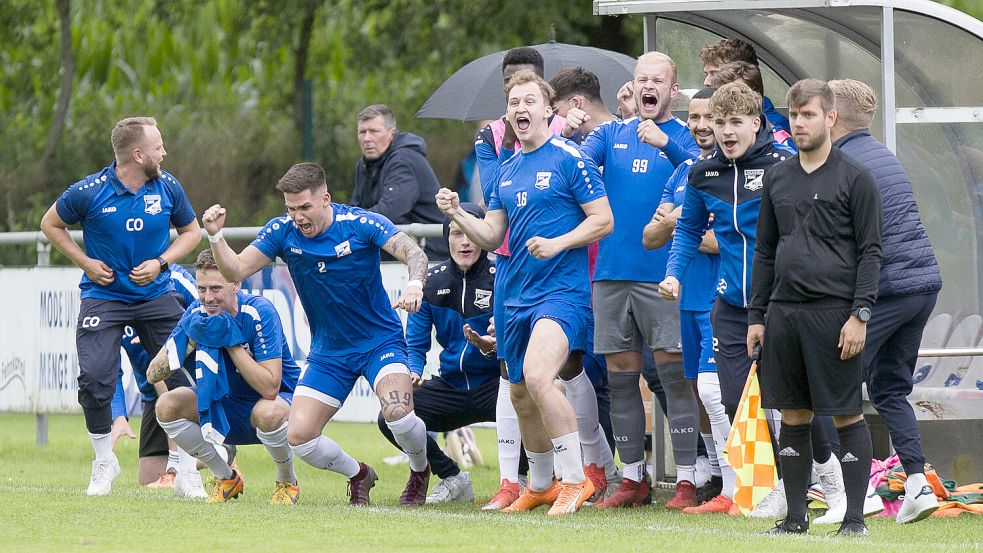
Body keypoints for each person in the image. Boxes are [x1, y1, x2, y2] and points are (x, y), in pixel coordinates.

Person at [201, 162, 432, 506]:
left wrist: (414, 284)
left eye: (305, 207)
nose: (298, 217)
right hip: (329, 353)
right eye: (291, 209)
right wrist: (215, 236)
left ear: (325, 199)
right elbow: (235, 269)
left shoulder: (361, 223)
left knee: (397, 414)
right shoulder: (282, 231)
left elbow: (414, 252)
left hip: (379, 343)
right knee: (300, 437)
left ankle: (419, 471)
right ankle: (359, 473)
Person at [437, 69, 614, 516]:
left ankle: (575, 479)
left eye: (529, 101)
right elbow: (493, 235)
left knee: (539, 376)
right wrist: (458, 214)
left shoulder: (570, 158)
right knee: (519, 392)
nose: (520, 108)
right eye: (513, 103)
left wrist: (558, 243)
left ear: (548, 110)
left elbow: (603, 220)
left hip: (561, 292)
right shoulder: (505, 171)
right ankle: (538, 484)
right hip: (513, 294)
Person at [747, 78, 883, 537]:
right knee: (792, 414)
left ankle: (855, 520)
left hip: (835, 314)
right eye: (794, 114)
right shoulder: (777, 177)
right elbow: (765, 250)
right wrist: (757, 316)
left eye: (808, 114)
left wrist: (860, 314)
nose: (799, 123)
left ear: (831, 117)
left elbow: (871, 252)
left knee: (846, 413)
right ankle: (794, 519)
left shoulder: (855, 177)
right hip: (783, 314)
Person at [39, 116, 202, 496]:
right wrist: (85, 262)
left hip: (156, 297)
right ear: (138, 154)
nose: (164, 153)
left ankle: (187, 469)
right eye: (158, 147)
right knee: (94, 379)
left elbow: (191, 232)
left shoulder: (168, 186)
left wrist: (161, 262)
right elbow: (50, 224)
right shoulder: (89, 191)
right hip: (104, 297)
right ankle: (104, 464)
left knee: (185, 376)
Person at [579, 51, 702, 510]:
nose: (649, 86)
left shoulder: (685, 136)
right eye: (641, 79)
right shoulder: (611, 134)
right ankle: (632, 477)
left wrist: (666, 144)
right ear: (631, 87)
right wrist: (569, 131)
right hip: (611, 274)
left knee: (674, 378)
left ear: (673, 89)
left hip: (664, 277)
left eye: (658, 80)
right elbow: (576, 166)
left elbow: (703, 171)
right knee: (621, 380)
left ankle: (688, 478)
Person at [829, 78, 942, 524]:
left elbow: (853, 242)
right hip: (921, 286)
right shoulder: (881, 154)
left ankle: (849, 491)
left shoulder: (844, 164)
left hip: (888, 289)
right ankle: (916, 484)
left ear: (831, 117)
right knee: (890, 389)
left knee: (831, 383)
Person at [642, 87, 740, 515]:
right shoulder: (683, 172)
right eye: (694, 118)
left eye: (709, 118)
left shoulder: (733, 173)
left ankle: (740, 484)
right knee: (701, 393)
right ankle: (718, 475)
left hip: (722, 300)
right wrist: (683, 223)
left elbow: (730, 240)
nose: (701, 126)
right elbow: (650, 236)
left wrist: (682, 221)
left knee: (719, 395)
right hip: (688, 300)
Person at [145, 249, 301, 503]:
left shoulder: (259, 311)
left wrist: (229, 341)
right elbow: (153, 374)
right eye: (202, 289)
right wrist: (189, 341)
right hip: (228, 404)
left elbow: (270, 388)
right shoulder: (196, 313)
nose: (208, 298)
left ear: (236, 284)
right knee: (167, 405)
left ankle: (287, 481)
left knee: (268, 412)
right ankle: (226, 477)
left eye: (216, 288)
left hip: (278, 407)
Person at [376, 203, 502, 504]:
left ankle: (523, 480)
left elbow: (517, 339)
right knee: (391, 415)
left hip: (497, 384)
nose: (465, 242)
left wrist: (493, 345)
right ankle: (452, 477)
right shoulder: (431, 282)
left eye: (471, 233)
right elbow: (415, 344)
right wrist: (413, 372)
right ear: (446, 238)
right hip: (452, 387)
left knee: (530, 398)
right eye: (457, 234)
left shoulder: (502, 276)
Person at [110, 263, 203, 493]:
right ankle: (196, 459)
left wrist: (174, 343)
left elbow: (208, 315)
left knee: (163, 363)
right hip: (152, 395)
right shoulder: (108, 294)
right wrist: (118, 416)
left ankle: (218, 458)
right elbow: (109, 367)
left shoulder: (175, 279)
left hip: (192, 388)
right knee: (147, 479)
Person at [353, 104, 448, 260]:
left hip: (429, 251)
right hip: (397, 248)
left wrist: (348, 224)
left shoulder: (403, 159)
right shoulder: (364, 164)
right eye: (362, 132)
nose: (367, 138)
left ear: (392, 133)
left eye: (374, 131)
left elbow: (389, 212)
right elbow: (356, 207)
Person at [698, 38, 791, 144]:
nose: (706, 82)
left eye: (715, 73)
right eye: (706, 74)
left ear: (742, 72)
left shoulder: (775, 133)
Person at [706, 61, 794, 148]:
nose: (728, 101)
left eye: (737, 95)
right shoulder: (710, 139)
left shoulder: (781, 144)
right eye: (722, 95)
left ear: (757, 97)